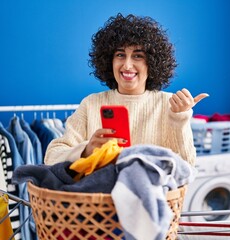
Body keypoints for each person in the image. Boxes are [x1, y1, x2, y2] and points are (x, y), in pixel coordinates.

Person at [44, 13, 208, 167]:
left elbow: (187, 167)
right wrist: (86, 151)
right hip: (98, 196)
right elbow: (51, 157)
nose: (127, 65)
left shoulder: (169, 105)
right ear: (109, 60)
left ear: (152, 62)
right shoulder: (91, 104)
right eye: (120, 55)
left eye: (138, 56)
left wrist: (179, 119)